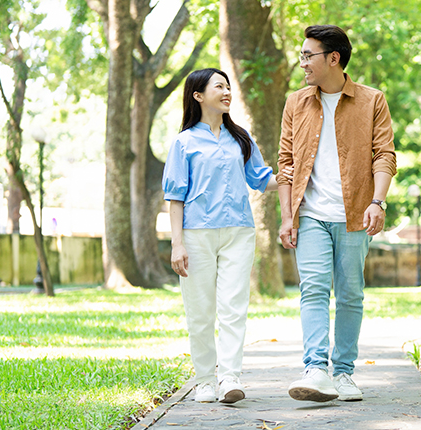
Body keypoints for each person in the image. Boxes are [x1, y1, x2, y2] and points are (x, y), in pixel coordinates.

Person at [277, 25, 397, 402]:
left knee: (349, 293)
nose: (302, 64)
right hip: (309, 213)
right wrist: (286, 216)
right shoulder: (296, 102)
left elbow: (384, 155)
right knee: (312, 289)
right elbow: (286, 162)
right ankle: (316, 369)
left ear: (333, 58)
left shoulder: (371, 100)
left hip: (355, 213)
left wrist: (377, 202)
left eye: (308, 56)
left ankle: (343, 373)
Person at [163, 68, 282, 404]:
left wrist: (295, 177)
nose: (227, 91)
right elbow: (175, 197)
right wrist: (177, 243)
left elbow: (262, 179)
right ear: (198, 95)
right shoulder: (184, 143)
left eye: (228, 87)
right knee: (200, 311)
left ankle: (229, 378)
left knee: (233, 308)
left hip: (238, 233)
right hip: (196, 234)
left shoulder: (240, 138)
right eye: (219, 86)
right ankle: (204, 380)